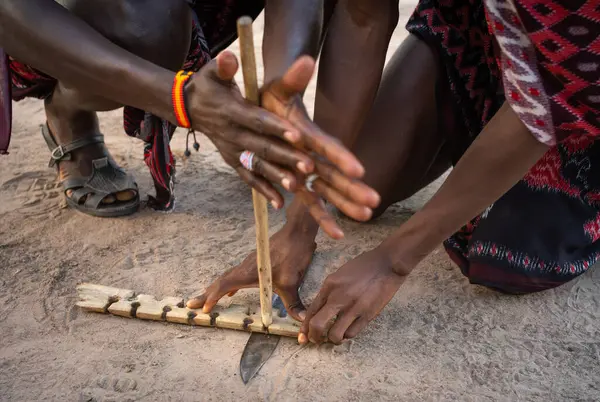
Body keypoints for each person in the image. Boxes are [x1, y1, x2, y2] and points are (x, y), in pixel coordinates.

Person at [188, 0, 600, 344]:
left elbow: (546, 99)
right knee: (360, 188)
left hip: (578, 70)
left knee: (512, 258)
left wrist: (393, 261)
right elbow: (362, 13)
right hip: (483, 21)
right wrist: (301, 224)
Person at [0, 0, 379, 229]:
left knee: (382, 181)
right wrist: (180, 98)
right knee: (145, 26)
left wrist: (283, 93)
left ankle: (250, 108)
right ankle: (69, 110)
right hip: (58, 18)